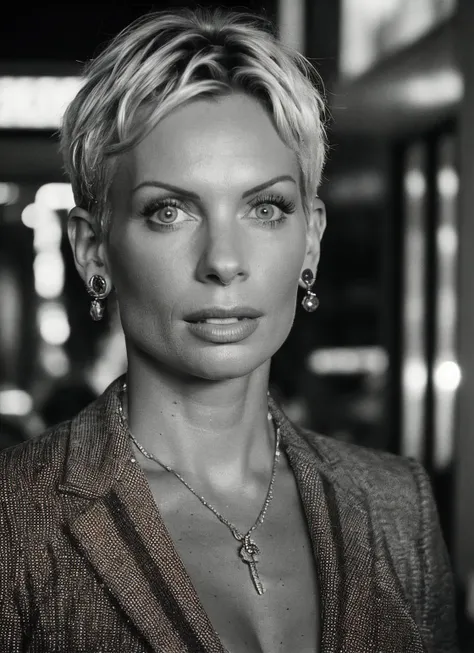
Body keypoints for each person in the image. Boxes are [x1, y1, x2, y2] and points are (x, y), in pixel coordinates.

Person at [0, 7, 458, 653]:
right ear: (92, 250)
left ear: (311, 240)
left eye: (265, 207)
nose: (223, 261)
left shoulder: (395, 505)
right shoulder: (14, 519)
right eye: (169, 210)